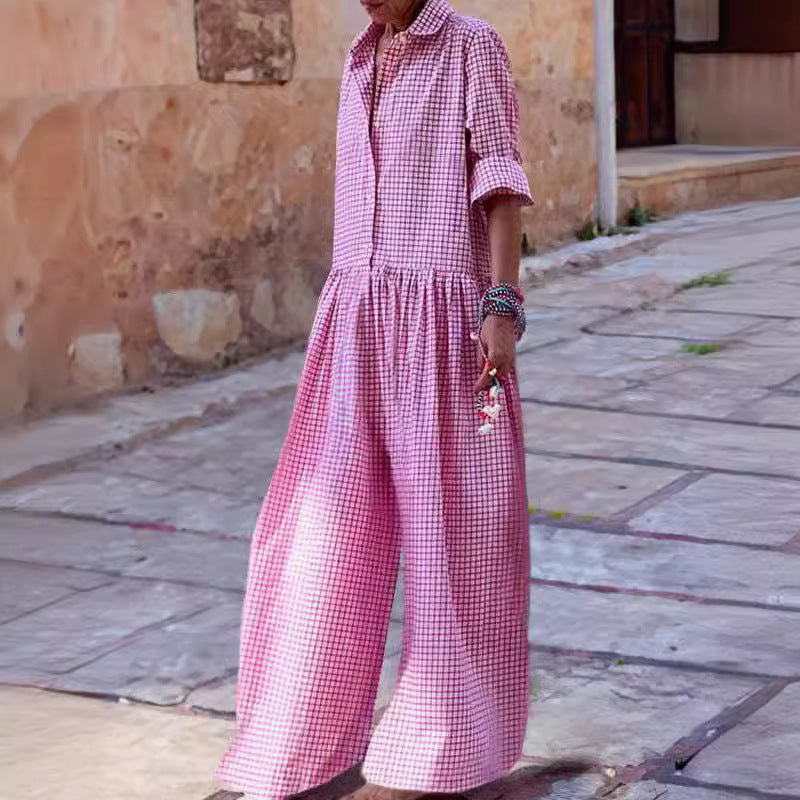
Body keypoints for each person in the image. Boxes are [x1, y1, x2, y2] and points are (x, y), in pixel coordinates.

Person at [215, 0, 533, 798]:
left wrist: (501, 309)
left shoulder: (473, 47)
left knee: (456, 541)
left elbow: (499, 188)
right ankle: (296, 742)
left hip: (454, 336)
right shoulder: (359, 58)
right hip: (354, 328)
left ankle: (445, 745)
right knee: (319, 538)